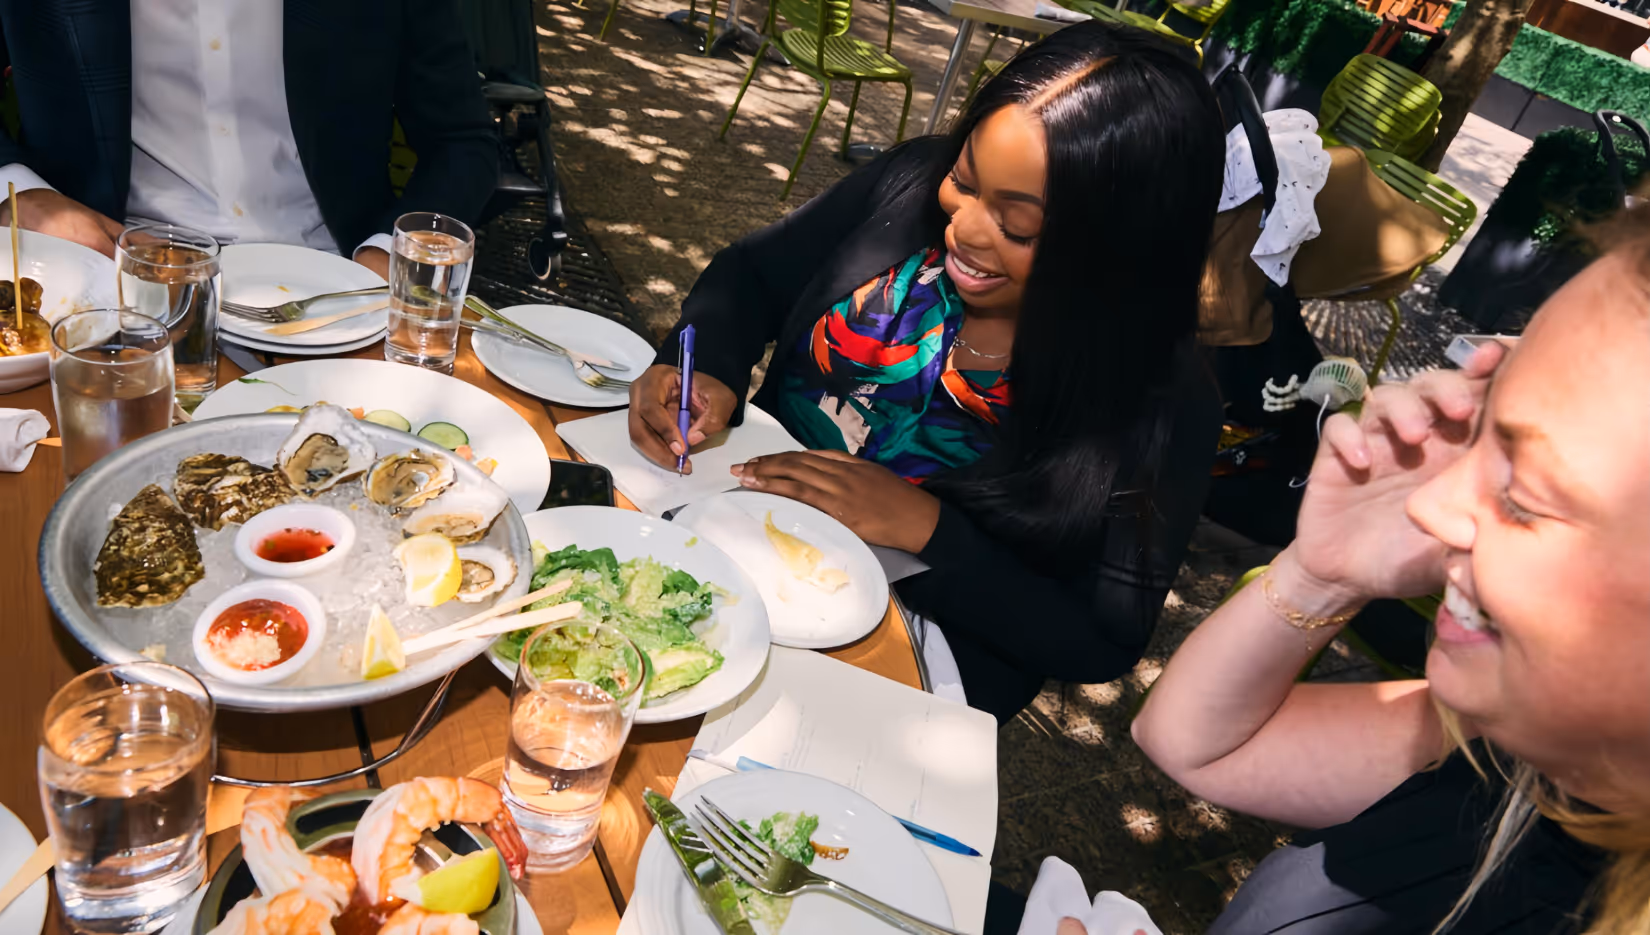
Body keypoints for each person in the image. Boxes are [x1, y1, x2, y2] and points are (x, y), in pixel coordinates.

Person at [627, 22, 1227, 724]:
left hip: (888, 685)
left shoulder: (1161, 398)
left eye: (1020, 227)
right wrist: (706, 364)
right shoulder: (908, 184)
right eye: (965, 183)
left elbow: (1100, 640)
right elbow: (753, 276)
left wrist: (931, 531)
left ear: (1119, 249)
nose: (964, 230)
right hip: (723, 550)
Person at [1130, 211, 1650, 932]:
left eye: (1525, 496)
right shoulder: (1535, 758)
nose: (1433, 505)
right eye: (1482, 437)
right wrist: (1326, 573)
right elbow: (1192, 743)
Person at [0, 0, 498, 278]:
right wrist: (21, 194)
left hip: (335, 277)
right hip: (107, 277)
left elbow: (463, 141)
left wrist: (385, 255)